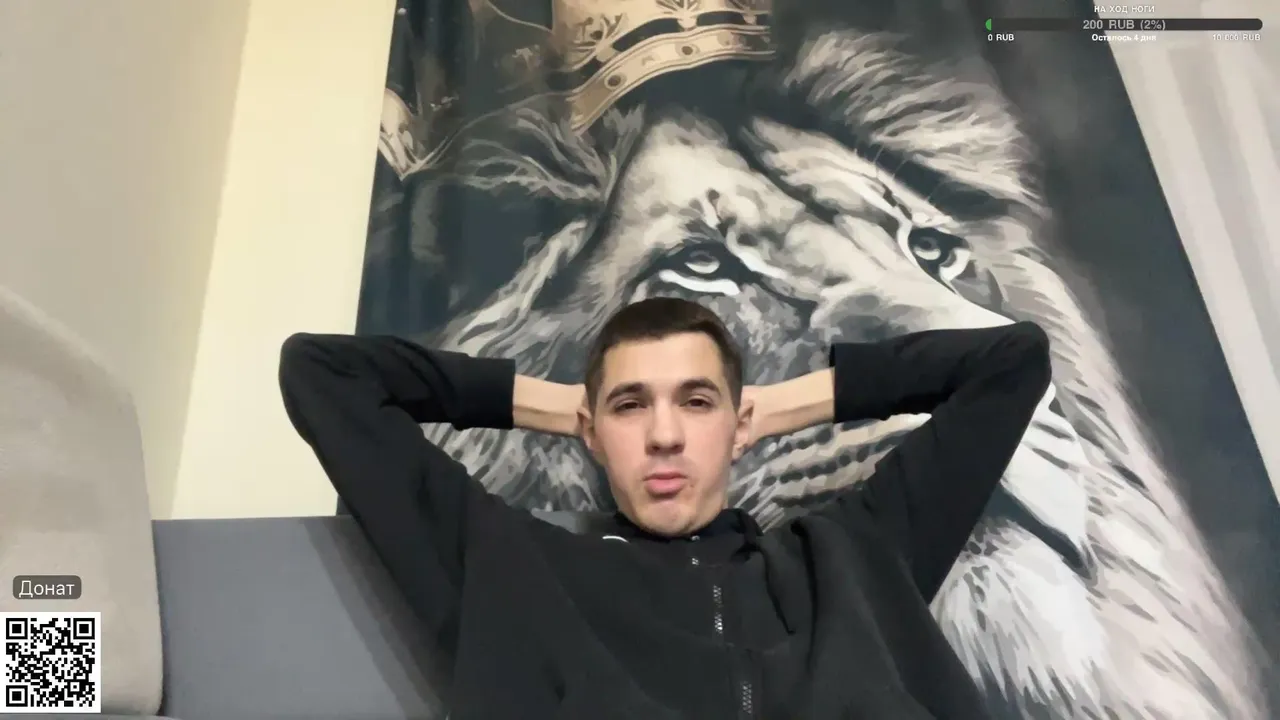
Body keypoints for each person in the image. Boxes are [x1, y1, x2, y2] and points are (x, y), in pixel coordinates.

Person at [278, 296, 1051, 719]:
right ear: (591, 432)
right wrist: (561, 405)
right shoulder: (515, 571)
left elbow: (1012, 362)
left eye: (697, 401)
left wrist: (774, 406)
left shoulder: (854, 554)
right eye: (630, 406)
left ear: (740, 425)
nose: (665, 435)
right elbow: (322, 374)